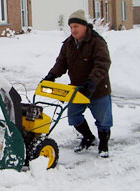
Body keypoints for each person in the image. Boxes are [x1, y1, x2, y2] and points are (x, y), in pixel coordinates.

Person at [42, 9, 113, 158]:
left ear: (85, 26)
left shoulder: (96, 42)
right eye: (71, 27)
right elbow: (61, 62)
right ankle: (88, 137)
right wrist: (51, 75)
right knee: (73, 116)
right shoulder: (69, 44)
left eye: (76, 27)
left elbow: (102, 64)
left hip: (98, 87)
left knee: (103, 120)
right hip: (78, 89)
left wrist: (92, 82)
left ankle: (103, 144)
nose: (73, 30)